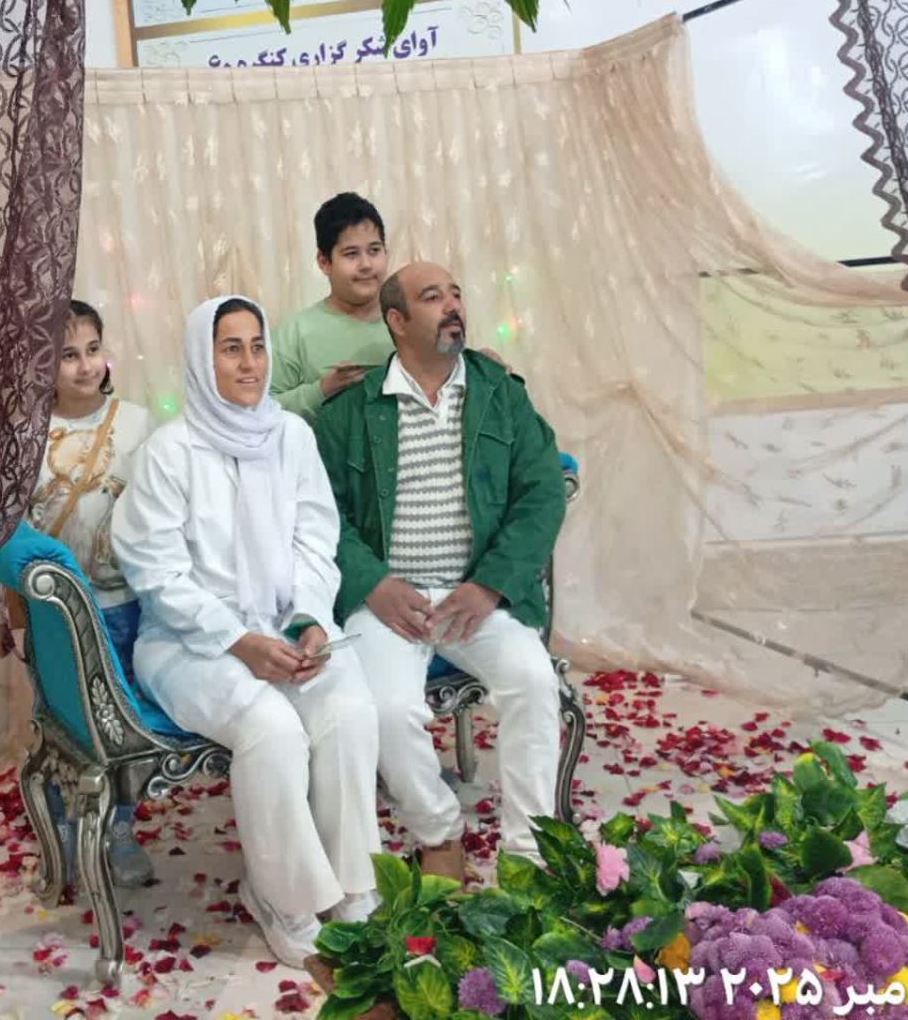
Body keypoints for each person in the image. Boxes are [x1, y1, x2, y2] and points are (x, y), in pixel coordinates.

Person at [112, 296, 382, 966]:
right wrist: (239, 642)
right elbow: (156, 573)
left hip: (287, 628)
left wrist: (308, 620)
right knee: (271, 727)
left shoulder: (291, 436)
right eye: (230, 348)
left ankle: (352, 886)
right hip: (188, 644)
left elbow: (316, 539)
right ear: (201, 359)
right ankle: (282, 898)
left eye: (257, 346)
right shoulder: (168, 452)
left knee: (349, 709)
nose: (250, 363)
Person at [314, 263, 567, 881]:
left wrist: (489, 585)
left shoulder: (500, 393)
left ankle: (528, 857)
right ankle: (438, 835)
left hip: (476, 594)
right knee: (386, 710)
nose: (453, 305)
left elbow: (542, 494)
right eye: (433, 297)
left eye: (456, 293)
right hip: (388, 600)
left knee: (534, 683)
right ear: (397, 321)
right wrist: (374, 583)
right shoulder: (350, 412)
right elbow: (320, 513)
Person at [0, 299, 156, 889]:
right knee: (62, 725)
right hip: (53, 614)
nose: (85, 366)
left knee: (123, 721)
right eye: (67, 355)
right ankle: (64, 831)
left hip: (125, 604)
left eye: (92, 350)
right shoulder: (23, 436)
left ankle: (122, 827)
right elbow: (1, 533)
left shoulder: (137, 424)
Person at [270, 192, 394, 424]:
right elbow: (263, 410)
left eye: (374, 250)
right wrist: (323, 390)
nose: (366, 265)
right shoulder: (296, 331)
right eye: (351, 254)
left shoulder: (407, 322)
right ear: (324, 262)